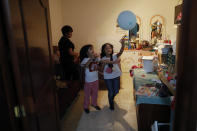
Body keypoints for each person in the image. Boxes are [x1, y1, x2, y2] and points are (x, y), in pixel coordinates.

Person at [80, 44, 118, 114]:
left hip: (95, 80)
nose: (93, 50)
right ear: (86, 52)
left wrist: (109, 61)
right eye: (90, 49)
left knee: (95, 94)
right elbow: (86, 66)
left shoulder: (96, 59)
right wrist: (92, 58)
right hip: (88, 82)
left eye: (93, 49)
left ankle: (94, 104)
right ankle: (86, 106)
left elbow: (101, 63)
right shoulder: (85, 60)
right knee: (87, 95)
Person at [100, 37, 125, 111]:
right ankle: (111, 103)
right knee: (110, 91)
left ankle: (111, 98)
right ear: (103, 50)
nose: (108, 49)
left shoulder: (114, 55)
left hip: (116, 75)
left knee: (116, 91)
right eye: (106, 48)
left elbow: (121, 52)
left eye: (110, 48)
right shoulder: (103, 58)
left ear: (112, 49)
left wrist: (123, 44)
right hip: (107, 77)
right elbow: (101, 69)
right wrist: (104, 64)